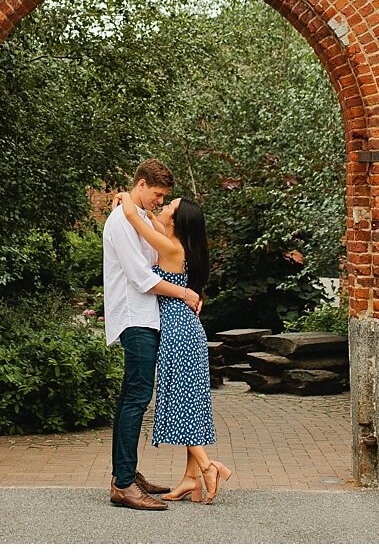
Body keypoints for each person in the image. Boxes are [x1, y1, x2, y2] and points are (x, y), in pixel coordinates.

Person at [119, 189, 233, 503]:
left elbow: (135, 219)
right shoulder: (178, 244)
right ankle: (190, 480)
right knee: (191, 404)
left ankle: (208, 467)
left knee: (178, 403)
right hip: (188, 329)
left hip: (178, 332)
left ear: (178, 220)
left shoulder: (170, 247)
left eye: (171, 205)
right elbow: (152, 221)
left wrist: (127, 197)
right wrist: (147, 209)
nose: (165, 205)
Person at [102, 159, 200, 512]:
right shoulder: (122, 221)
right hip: (134, 317)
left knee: (131, 395)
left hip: (147, 317)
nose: (160, 201)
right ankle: (124, 484)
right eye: (158, 194)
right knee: (137, 396)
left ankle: (125, 473)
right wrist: (186, 294)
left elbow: (161, 247)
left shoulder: (138, 215)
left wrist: (125, 202)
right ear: (141, 185)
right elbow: (142, 277)